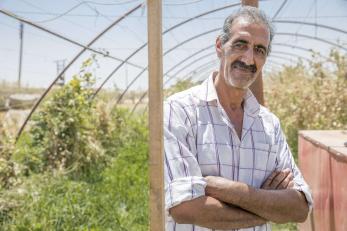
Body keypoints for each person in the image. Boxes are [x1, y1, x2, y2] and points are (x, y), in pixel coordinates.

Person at [164, 6, 313, 231]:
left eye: (260, 50)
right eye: (240, 44)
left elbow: (300, 208)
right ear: (219, 46)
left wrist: (226, 189)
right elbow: (185, 208)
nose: (248, 58)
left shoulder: (269, 124)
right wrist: (267, 207)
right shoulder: (180, 111)